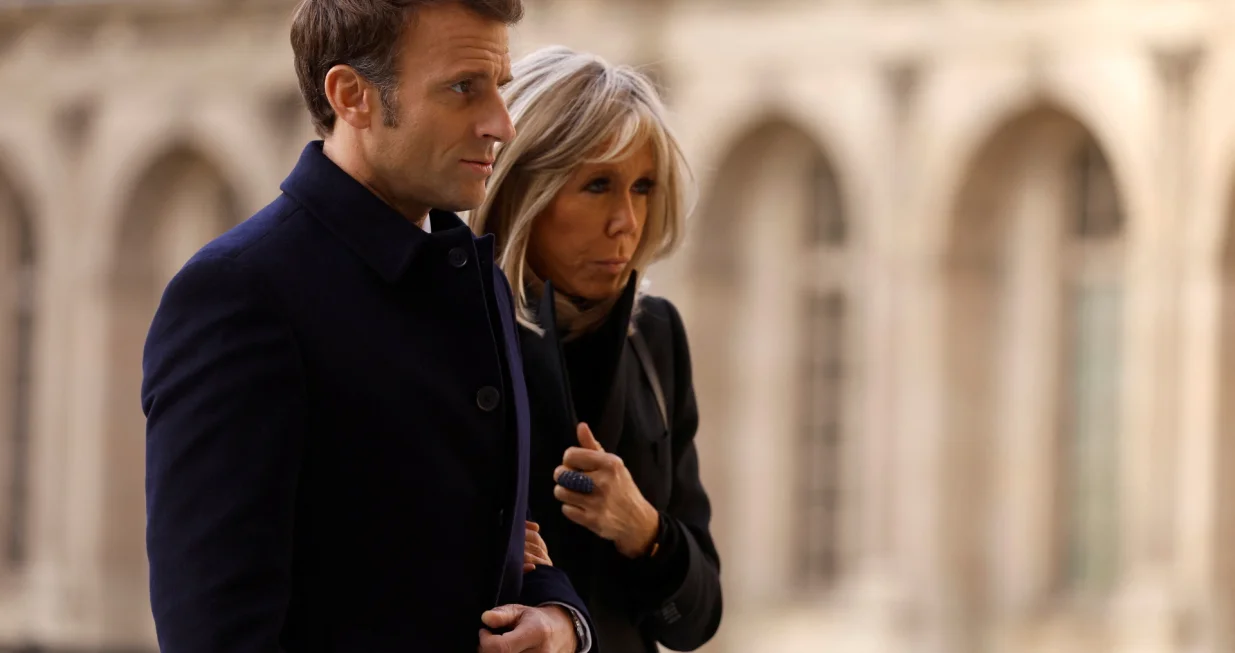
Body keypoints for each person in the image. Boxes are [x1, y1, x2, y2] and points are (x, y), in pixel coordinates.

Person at [141, 3, 594, 652]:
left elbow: (509, 532)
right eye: (463, 88)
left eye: (499, 86)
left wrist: (560, 620)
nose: (501, 123)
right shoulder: (238, 293)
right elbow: (215, 629)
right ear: (352, 95)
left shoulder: (475, 276)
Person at [469, 46, 723, 652]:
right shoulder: (454, 334)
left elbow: (698, 619)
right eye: (598, 185)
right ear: (521, 189)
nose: (625, 221)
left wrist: (644, 529)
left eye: (642, 187)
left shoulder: (654, 335)